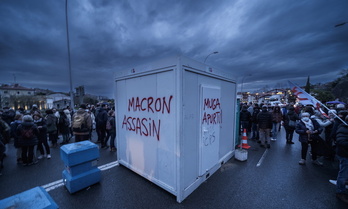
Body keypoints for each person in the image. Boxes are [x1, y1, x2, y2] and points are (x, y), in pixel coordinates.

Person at [335, 115, 348, 204]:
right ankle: (340, 192)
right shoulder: (343, 128)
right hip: (345, 154)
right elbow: (340, 141)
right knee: (343, 174)